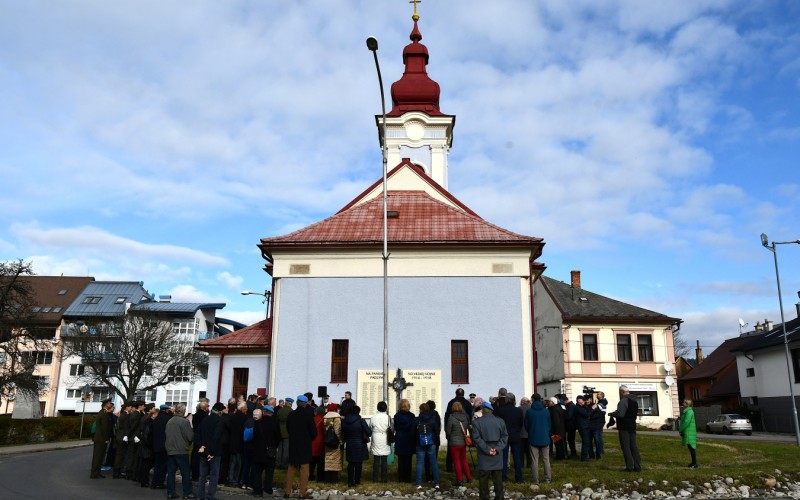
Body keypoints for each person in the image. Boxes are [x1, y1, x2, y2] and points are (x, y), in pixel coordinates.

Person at [471, 401, 508, 500]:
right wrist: (497, 448)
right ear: (491, 411)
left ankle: (484, 497)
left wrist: (488, 450)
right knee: (498, 480)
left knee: (483, 480)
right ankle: (499, 497)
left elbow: (476, 439)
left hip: (484, 454)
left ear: (483, 411)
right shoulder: (500, 421)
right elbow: (505, 437)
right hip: (497, 454)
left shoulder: (477, 423)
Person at [284, 395, 317, 498]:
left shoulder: (291, 414)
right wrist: (309, 438)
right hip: (305, 444)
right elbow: (314, 432)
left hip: (293, 443)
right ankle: (302, 493)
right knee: (304, 469)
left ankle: (287, 492)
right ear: (305, 404)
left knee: (291, 467)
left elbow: (288, 428)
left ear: (297, 403)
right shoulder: (308, 415)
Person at [197, 402, 226, 500]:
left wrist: (200, 446)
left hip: (204, 450)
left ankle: (200, 495)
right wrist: (211, 452)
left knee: (202, 475)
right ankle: (210, 496)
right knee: (214, 475)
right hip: (214, 453)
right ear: (220, 411)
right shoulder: (220, 421)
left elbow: (197, 433)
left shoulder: (205, 419)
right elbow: (216, 437)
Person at [165, 403, 195, 499]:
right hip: (181, 450)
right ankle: (187, 492)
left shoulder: (169, 421)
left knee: (171, 473)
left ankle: (170, 492)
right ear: (183, 411)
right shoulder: (184, 422)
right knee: (185, 473)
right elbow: (190, 436)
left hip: (170, 449)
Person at [608, 385, 641, 472]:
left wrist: (612, 414)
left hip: (624, 426)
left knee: (626, 447)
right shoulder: (634, 401)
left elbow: (620, 414)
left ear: (622, 392)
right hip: (632, 425)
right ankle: (637, 466)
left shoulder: (624, 400)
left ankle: (629, 467)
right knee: (633, 446)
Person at [251, 406, 281, 497]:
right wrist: (274, 446)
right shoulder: (275, 423)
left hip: (258, 451)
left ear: (264, 412)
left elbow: (254, 436)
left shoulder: (257, 422)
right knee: (269, 473)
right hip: (270, 452)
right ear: (271, 413)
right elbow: (278, 437)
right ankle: (267, 490)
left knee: (257, 472)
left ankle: (257, 491)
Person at [523, 394, 551, 484]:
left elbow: (526, 424)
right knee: (546, 460)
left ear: (532, 399)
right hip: (544, 437)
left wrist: (531, 431)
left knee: (534, 460)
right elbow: (549, 424)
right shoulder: (546, 411)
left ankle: (535, 479)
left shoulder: (530, 412)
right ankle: (548, 479)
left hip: (533, 438)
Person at [495, 391, 523, 482]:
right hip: (515, 435)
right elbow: (521, 423)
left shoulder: (501, 410)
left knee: (504, 457)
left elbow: (498, 424)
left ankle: (503, 477)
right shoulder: (518, 410)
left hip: (504, 436)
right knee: (517, 458)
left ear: (506, 400)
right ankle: (519, 478)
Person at [444, 388, 473, 472]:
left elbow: (447, 416)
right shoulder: (467, 403)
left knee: (451, 449)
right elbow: (470, 416)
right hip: (464, 428)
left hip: (453, 427)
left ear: (455, 393)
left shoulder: (451, 402)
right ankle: (463, 467)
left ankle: (449, 466)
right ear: (463, 394)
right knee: (463, 449)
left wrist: (446, 429)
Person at [342, 404, 371, 487]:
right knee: (358, 464)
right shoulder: (361, 421)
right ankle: (357, 481)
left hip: (349, 444)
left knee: (350, 463)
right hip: (359, 444)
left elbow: (343, 434)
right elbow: (369, 432)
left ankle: (350, 481)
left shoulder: (345, 421)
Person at [445, 401, 472, 487]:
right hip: (463, 441)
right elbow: (467, 428)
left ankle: (459, 479)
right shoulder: (465, 417)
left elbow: (448, 430)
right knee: (464, 460)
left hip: (454, 442)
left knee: (456, 461)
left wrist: (448, 437)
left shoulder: (451, 417)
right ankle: (469, 477)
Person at [414, 402, 441, 489]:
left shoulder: (417, 420)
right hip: (431, 443)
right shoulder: (432, 420)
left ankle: (418, 483)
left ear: (420, 410)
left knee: (420, 463)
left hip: (419, 443)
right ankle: (437, 483)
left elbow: (412, 432)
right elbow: (437, 432)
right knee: (433, 463)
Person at [393, 398, 416, 483]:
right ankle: (407, 478)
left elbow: (396, 427)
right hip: (409, 437)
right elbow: (413, 427)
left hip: (400, 437)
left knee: (401, 459)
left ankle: (401, 477)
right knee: (408, 460)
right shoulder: (412, 416)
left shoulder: (397, 416)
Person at [151, 404, 173, 489]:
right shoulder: (168, 419)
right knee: (164, 466)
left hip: (156, 445)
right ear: (167, 410)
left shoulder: (156, 419)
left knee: (157, 465)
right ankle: (160, 482)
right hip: (165, 445)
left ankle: (154, 482)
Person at [91, 398, 114, 478]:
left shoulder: (104, 412)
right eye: (109, 403)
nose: (110, 404)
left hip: (101, 438)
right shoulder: (104, 413)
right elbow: (104, 428)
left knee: (100, 457)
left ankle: (97, 472)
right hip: (101, 439)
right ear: (106, 405)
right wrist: (106, 439)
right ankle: (94, 473)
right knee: (98, 457)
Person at [370, 401, 392, 482]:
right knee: (384, 459)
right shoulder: (388, 417)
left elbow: (370, 427)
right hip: (385, 437)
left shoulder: (373, 417)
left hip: (376, 437)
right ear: (385, 408)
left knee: (376, 459)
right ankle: (384, 478)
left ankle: (375, 478)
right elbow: (391, 428)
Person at [136, 407, 158, 487]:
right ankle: (144, 481)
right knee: (145, 465)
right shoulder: (149, 423)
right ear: (153, 415)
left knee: (145, 465)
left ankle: (143, 479)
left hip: (145, 447)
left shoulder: (149, 422)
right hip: (147, 448)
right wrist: (151, 445)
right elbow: (146, 436)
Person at [228, 401, 247, 487]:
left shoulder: (233, 416)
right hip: (240, 443)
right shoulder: (244, 417)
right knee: (238, 463)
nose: (247, 408)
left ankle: (230, 479)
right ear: (242, 408)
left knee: (232, 462)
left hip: (232, 442)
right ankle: (236, 480)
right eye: (246, 407)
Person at [323, 404, 343, 483]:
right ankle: (334, 479)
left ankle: (327, 478)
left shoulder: (325, 417)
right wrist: (341, 441)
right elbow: (337, 431)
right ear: (335, 409)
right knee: (335, 461)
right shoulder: (336, 417)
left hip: (327, 440)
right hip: (335, 441)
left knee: (328, 459)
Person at [191, 398, 210, 481]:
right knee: (202, 458)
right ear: (205, 408)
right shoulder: (205, 417)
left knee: (195, 456)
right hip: (203, 438)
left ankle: (194, 475)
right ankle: (201, 476)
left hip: (196, 437)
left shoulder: (195, 416)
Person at [113, 401, 133, 478]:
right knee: (120, 455)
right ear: (127, 407)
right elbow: (125, 427)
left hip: (121, 436)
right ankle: (116, 473)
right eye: (130, 407)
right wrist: (126, 435)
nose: (131, 408)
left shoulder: (124, 414)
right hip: (122, 437)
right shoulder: (125, 415)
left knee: (120, 455)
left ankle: (117, 472)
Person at [679, 399, 697, 468]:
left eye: (684, 403)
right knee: (691, 447)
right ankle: (693, 463)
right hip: (688, 431)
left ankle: (694, 463)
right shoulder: (687, 411)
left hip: (689, 431)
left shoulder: (689, 412)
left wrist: (680, 429)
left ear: (687, 404)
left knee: (692, 447)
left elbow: (686, 422)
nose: (683, 403)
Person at [310, 406, 326, 481]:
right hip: (321, 442)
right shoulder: (323, 420)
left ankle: (310, 476)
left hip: (312, 442)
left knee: (311, 462)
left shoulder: (312, 419)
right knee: (320, 462)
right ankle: (320, 477)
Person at [277, 397, 293, 469]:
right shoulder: (291, 411)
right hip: (287, 432)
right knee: (286, 449)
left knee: (280, 449)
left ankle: (278, 463)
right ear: (290, 404)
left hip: (280, 431)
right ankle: (284, 464)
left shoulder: (280, 410)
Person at [518, 396, 532, 469]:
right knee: (529, 451)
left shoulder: (519, 409)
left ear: (522, 402)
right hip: (529, 432)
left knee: (521, 451)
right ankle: (529, 464)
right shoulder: (531, 409)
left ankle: (521, 464)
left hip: (520, 433)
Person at [592, 393, 607, 459]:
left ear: (601, 396)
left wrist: (595, 406)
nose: (597, 395)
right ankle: (601, 450)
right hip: (600, 421)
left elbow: (598, 408)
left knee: (598, 437)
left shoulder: (603, 402)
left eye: (598, 394)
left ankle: (600, 450)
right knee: (599, 436)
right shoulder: (601, 402)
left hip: (600, 421)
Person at [562, 394, 577, 458]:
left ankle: (573, 453)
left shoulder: (570, 406)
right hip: (571, 425)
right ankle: (573, 453)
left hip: (571, 426)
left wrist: (563, 413)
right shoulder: (570, 405)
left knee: (571, 440)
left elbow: (569, 416)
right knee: (570, 440)